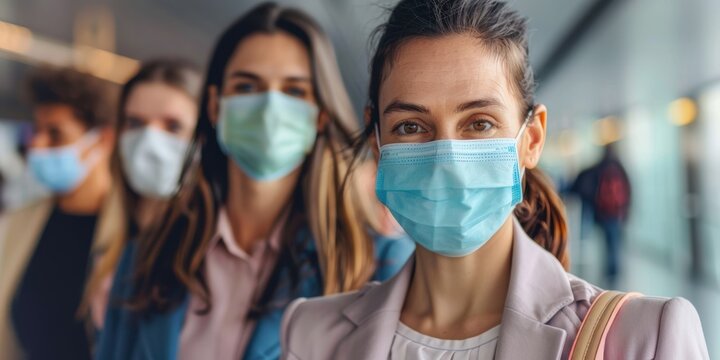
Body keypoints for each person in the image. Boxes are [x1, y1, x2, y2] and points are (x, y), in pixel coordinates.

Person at [281, 0, 709, 359]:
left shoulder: (645, 338)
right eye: (411, 126)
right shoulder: (310, 334)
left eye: (479, 124)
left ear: (532, 138)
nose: (446, 158)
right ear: (377, 142)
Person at [96, 3, 414, 360]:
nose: (268, 109)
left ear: (321, 116)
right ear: (215, 105)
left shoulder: (379, 265)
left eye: (294, 91)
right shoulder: (147, 255)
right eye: (247, 86)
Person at [0, 67, 119, 360]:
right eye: (37, 131)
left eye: (56, 134)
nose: (37, 144)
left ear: (102, 141)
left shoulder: (133, 230)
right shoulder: (18, 222)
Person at [78, 59, 202, 330]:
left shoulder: (205, 251)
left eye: (173, 126)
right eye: (135, 122)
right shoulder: (109, 239)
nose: (149, 140)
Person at [571, 143, 631, 281]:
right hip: (617, 212)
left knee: (606, 240)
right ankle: (614, 270)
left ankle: (610, 269)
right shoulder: (620, 168)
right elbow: (628, 190)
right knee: (614, 241)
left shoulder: (599, 167)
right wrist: (626, 210)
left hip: (603, 212)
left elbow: (587, 187)